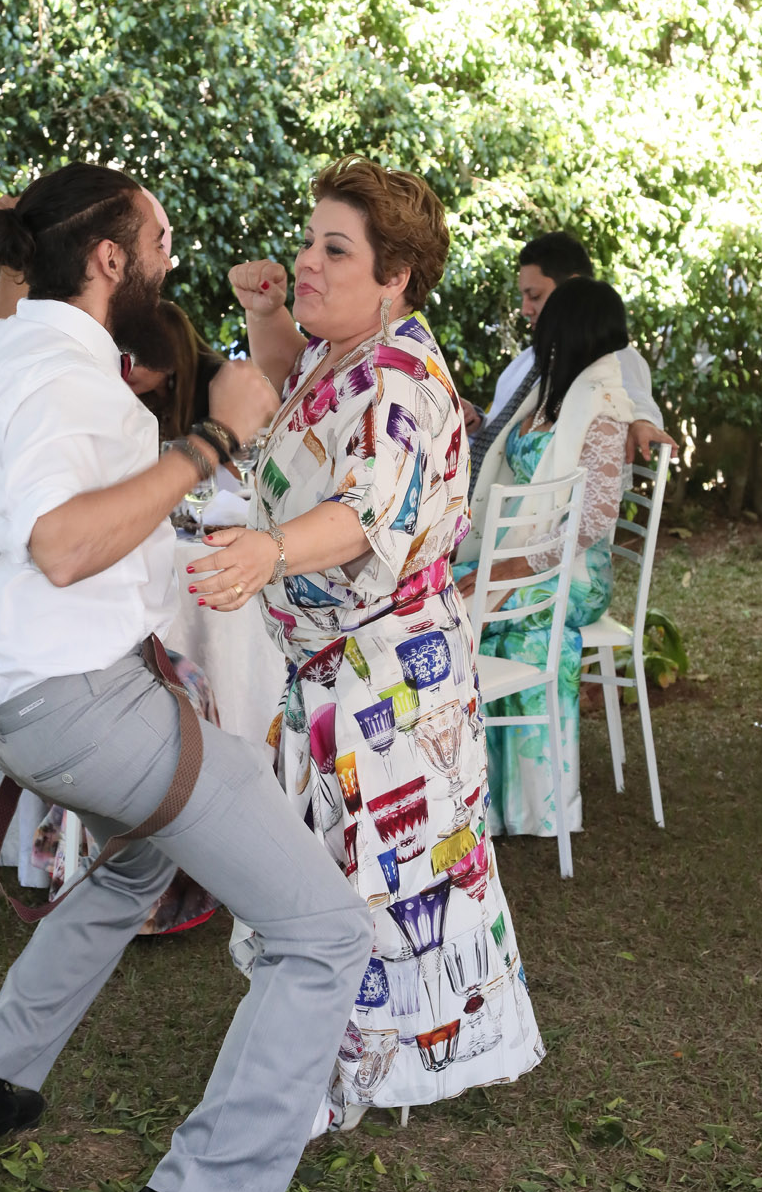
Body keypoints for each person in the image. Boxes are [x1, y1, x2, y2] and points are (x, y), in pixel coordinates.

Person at [0, 161, 373, 1192]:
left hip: (32, 704)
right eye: (160, 242)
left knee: (134, 866)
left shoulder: (1, 352)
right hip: (87, 707)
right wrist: (210, 444)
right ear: (109, 258)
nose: (171, 262)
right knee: (325, 932)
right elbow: (62, 543)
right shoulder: (62, 378)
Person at [189, 156, 543, 1131]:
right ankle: (345, 1067)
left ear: (395, 276)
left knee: (361, 885)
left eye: (333, 250)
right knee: (348, 880)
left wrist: (268, 550)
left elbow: (362, 512)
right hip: (343, 675)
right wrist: (269, 312)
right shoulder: (343, 350)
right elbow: (295, 404)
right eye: (308, 240)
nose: (307, 259)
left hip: (384, 684)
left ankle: (339, 1075)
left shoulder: (396, 381)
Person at [457, 277, 634, 838]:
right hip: (521, 556)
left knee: (462, 610)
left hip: (575, 574)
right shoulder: (553, 390)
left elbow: (594, 521)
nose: (537, 327)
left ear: (570, 329)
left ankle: (483, 799)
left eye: (548, 318)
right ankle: (489, 804)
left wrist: (509, 570)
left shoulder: (602, 407)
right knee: (445, 593)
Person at [460, 232, 671, 483]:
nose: (525, 309)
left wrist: (641, 422)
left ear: (573, 288)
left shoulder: (609, 355)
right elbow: (505, 431)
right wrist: (477, 422)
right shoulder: (526, 361)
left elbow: (634, 401)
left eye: (534, 296)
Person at [122, 300, 225, 441]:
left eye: (140, 359)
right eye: (122, 356)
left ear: (173, 358)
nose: (127, 368)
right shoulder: (142, 399)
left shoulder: (216, 385)